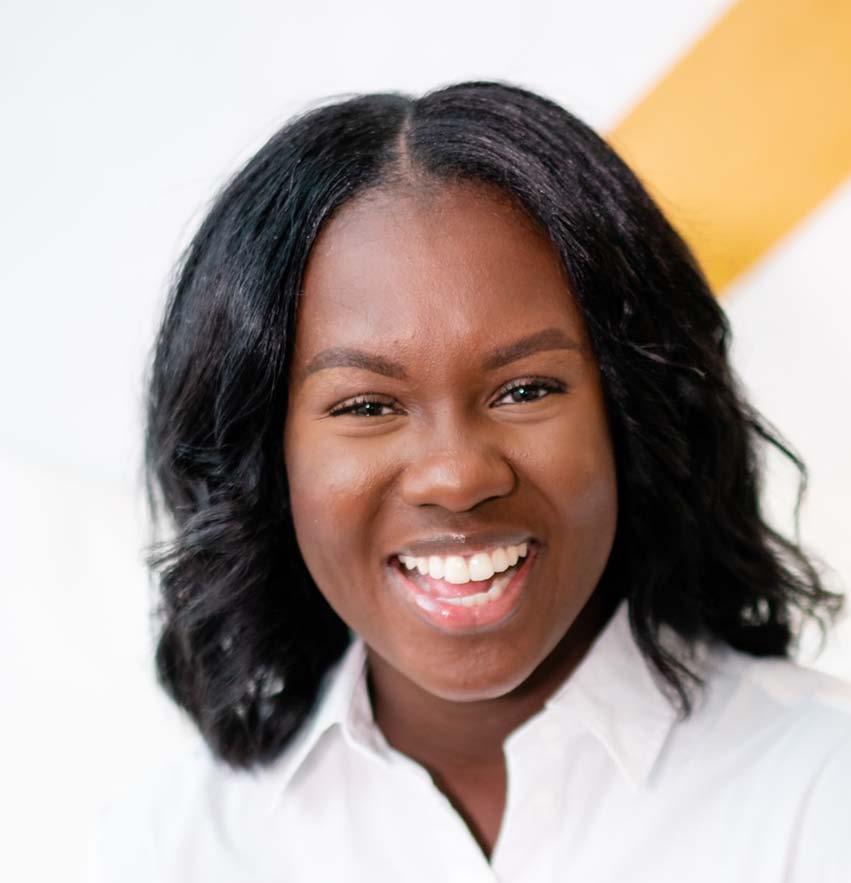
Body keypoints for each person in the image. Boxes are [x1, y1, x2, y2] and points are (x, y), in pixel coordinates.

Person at [94, 81, 850, 881]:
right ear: (265, 454)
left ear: (631, 412)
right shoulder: (174, 849)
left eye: (524, 389)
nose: (456, 476)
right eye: (366, 405)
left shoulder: (821, 787)